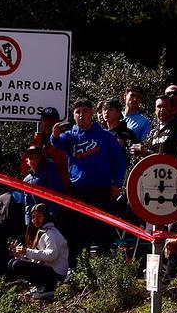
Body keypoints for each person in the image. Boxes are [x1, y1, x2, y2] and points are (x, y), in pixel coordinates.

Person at [51, 98, 126, 262]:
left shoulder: (105, 136)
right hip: (78, 192)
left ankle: (105, 270)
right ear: (73, 115)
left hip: (101, 191)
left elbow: (119, 162)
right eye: (78, 112)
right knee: (78, 234)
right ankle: (79, 270)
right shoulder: (71, 136)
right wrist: (54, 136)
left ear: (92, 113)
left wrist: (117, 185)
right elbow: (58, 143)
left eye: (85, 111)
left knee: (103, 232)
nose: (81, 115)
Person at [7, 203, 69, 295]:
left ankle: (49, 287)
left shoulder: (51, 233)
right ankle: (42, 285)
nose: (35, 219)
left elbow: (51, 255)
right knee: (12, 263)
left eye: (39, 216)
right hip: (48, 271)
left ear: (46, 216)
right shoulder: (42, 232)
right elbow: (36, 260)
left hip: (56, 275)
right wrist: (19, 255)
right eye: (33, 217)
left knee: (16, 264)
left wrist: (27, 251)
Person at [141, 94, 177, 170]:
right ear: (155, 110)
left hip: (175, 175)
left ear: (172, 109)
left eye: (165, 106)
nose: (162, 109)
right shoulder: (153, 130)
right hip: (155, 176)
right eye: (159, 106)